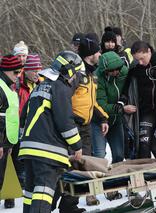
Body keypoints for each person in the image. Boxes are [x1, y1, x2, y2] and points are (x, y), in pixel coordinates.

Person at [19, 51, 84, 213]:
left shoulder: (39, 87)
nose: (77, 79)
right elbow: (65, 121)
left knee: (31, 193)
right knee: (43, 193)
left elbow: (24, 118)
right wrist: (77, 146)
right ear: (70, 72)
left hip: (29, 150)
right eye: (77, 74)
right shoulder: (60, 88)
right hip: (46, 152)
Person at [55, 33, 109, 212]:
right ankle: (60, 204)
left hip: (85, 127)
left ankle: (71, 205)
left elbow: (91, 102)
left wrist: (102, 118)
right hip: (73, 126)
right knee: (72, 167)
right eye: (98, 51)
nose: (100, 54)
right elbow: (63, 99)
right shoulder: (77, 73)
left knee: (82, 168)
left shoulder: (92, 74)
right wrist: (68, 121)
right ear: (91, 53)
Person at [92, 51, 135, 162]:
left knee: (119, 155)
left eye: (118, 69)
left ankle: (120, 179)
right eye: (112, 70)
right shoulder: (97, 78)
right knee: (99, 155)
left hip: (116, 121)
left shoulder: (124, 72)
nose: (116, 72)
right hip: (99, 121)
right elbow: (101, 105)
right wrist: (121, 109)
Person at [12, 54, 42, 190]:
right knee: (19, 161)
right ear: (27, 70)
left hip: (35, 128)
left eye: (39, 70)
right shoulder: (17, 84)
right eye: (34, 70)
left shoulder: (41, 83)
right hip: (18, 127)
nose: (37, 73)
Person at [0, 55, 23, 209]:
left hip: (9, 141)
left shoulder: (8, 86)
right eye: (15, 72)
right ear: (6, 71)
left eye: (20, 72)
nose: (18, 75)